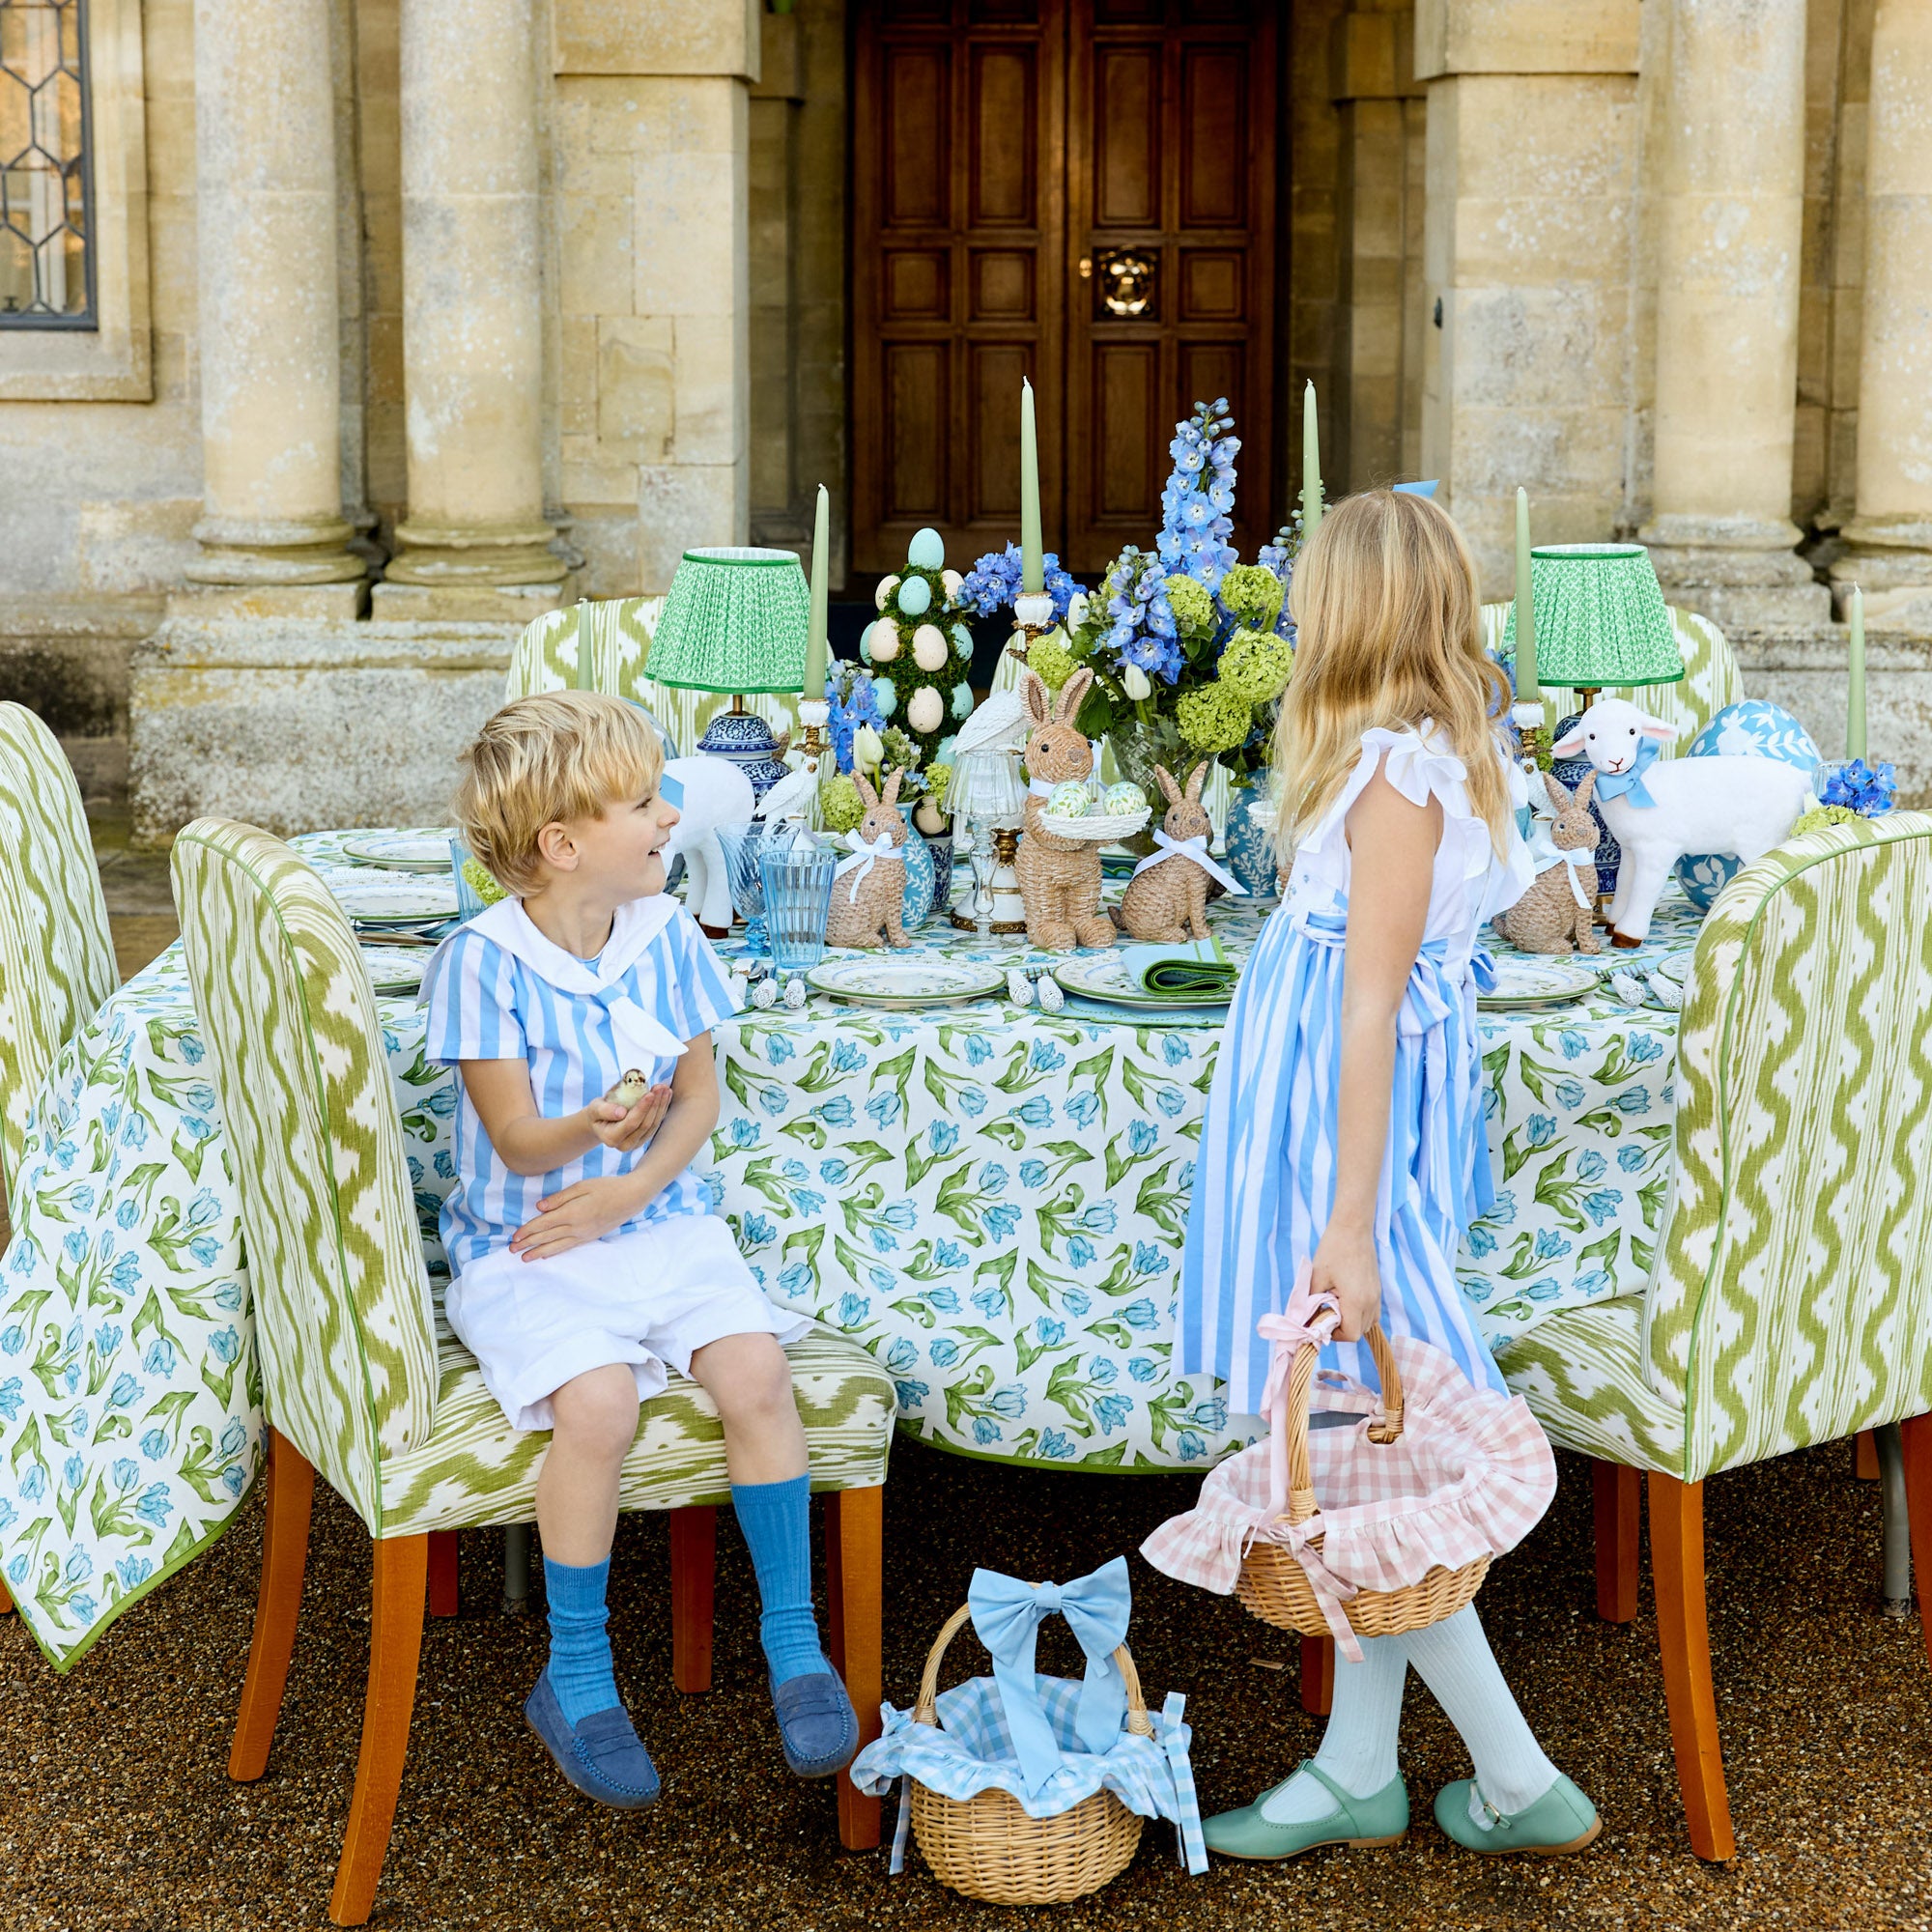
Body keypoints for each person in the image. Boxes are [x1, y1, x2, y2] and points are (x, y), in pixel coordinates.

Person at [1179, 490, 1600, 1860]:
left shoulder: (1400, 779)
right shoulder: (1403, 756)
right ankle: (1357, 1769)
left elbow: (1369, 1005)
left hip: (1334, 1137)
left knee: (1387, 1435)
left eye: (1310, 593)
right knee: (1362, 1445)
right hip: (1321, 1118)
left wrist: (1348, 1225)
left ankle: (1520, 1775)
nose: (1294, 615)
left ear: (1353, 611)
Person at [421, 690, 857, 1810]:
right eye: (641, 799)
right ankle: (573, 1674)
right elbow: (516, 1142)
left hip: (652, 1215)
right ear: (563, 846)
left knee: (757, 1374)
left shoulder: (666, 934)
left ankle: (795, 1644)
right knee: (601, 1404)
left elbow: (699, 1096)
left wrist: (631, 1184)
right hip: (527, 1244)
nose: (671, 810)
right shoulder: (482, 962)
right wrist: (590, 1135)